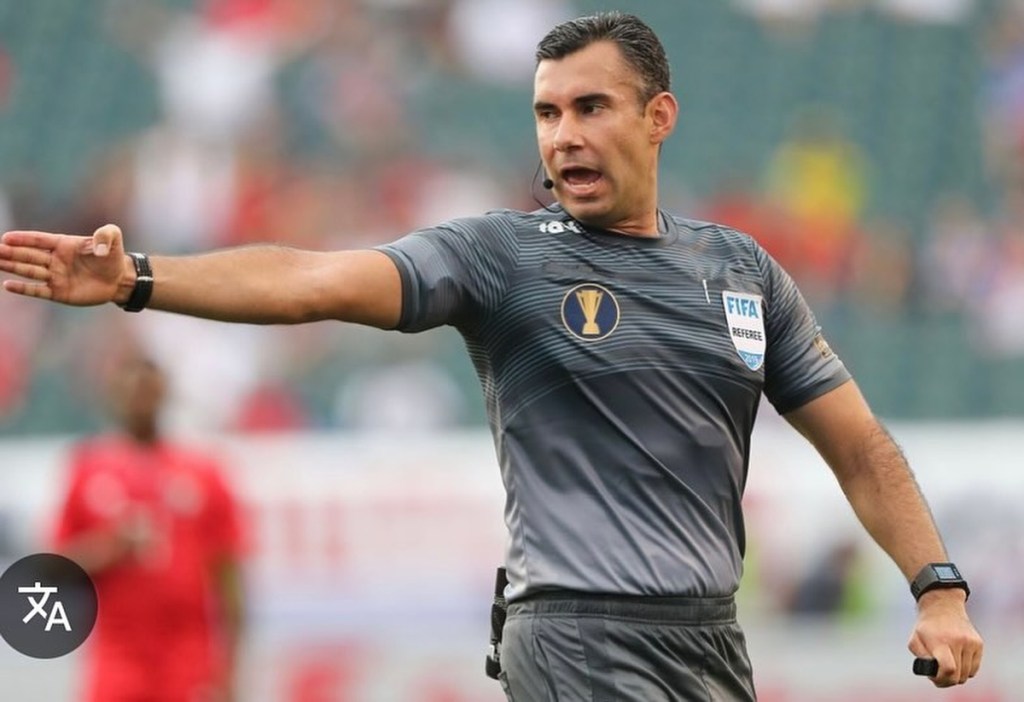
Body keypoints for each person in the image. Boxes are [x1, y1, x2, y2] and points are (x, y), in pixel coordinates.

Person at [1, 11, 982, 700]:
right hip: (575, 636)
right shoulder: (501, 257)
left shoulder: (741, 271)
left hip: (707, 640)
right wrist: (138, 278)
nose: (563, 137)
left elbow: (860, 448)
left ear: (659, 117)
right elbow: (313, 279)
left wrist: (937, 587)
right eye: (547, 114)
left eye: (590, 108)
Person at [49, 352, 246, 702]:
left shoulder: (202, 472)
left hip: (188, 654)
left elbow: (229, 576)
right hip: (117, 653)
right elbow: (56, 569)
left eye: (147, 387)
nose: (139, 397)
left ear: (163, 392)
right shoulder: (89, 469)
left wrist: (230, 671)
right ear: (113, 394)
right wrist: (109, 548)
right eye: (130, 388)